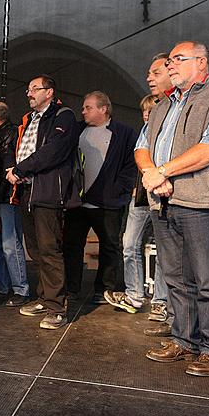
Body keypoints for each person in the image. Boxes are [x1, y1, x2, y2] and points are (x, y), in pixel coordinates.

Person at [137, 41, 209, 377]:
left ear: (201, 62)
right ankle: (185, 341)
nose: (170, 65)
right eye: (168, 60)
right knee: (177, 279)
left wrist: (163, 172)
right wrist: (152, 175)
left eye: (177, 59)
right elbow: (142, 147)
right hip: (163, 202)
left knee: (208, 280)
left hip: (202, 203)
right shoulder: (162, 105)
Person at [106, 54, 174, 338]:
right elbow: (140, 157)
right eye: (145, 112)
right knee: (129, 244)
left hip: (163, 196)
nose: (148, 115)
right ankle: (134, 295)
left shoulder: (170, 121)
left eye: (152, 111)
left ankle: (159, 302)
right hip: (141, 196)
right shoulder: (145, 131)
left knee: (163, 250)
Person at [7, 75, 78, 330]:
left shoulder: (63, 116)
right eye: (28, 89)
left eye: (34, 89)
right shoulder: (30, 119)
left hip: (47, 191)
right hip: (26, 190)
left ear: (49, 92)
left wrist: (20, 168)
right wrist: (13, 168)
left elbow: (53, 151)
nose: (29, 94)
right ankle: (44, 297)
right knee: (35, 249)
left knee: (50, 250)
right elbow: (22, 147)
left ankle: (57, 308)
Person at [63, 91, 137, 304]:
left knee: (110, 245)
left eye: (88, 107)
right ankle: (72, 287)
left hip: (108, 202)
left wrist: (118, 189)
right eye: (84, 108)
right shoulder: (77, 130)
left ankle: (104, 289)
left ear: (103, 109)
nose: (83, 111)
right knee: (72, 245)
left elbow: (131, 165)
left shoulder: (124, 133)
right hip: (77, 202)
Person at [0, 102, 29, 307]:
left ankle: (21, 288)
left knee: (10, 244)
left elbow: (4, 173)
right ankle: (1, 284)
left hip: (7, 197)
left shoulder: (9, 136)